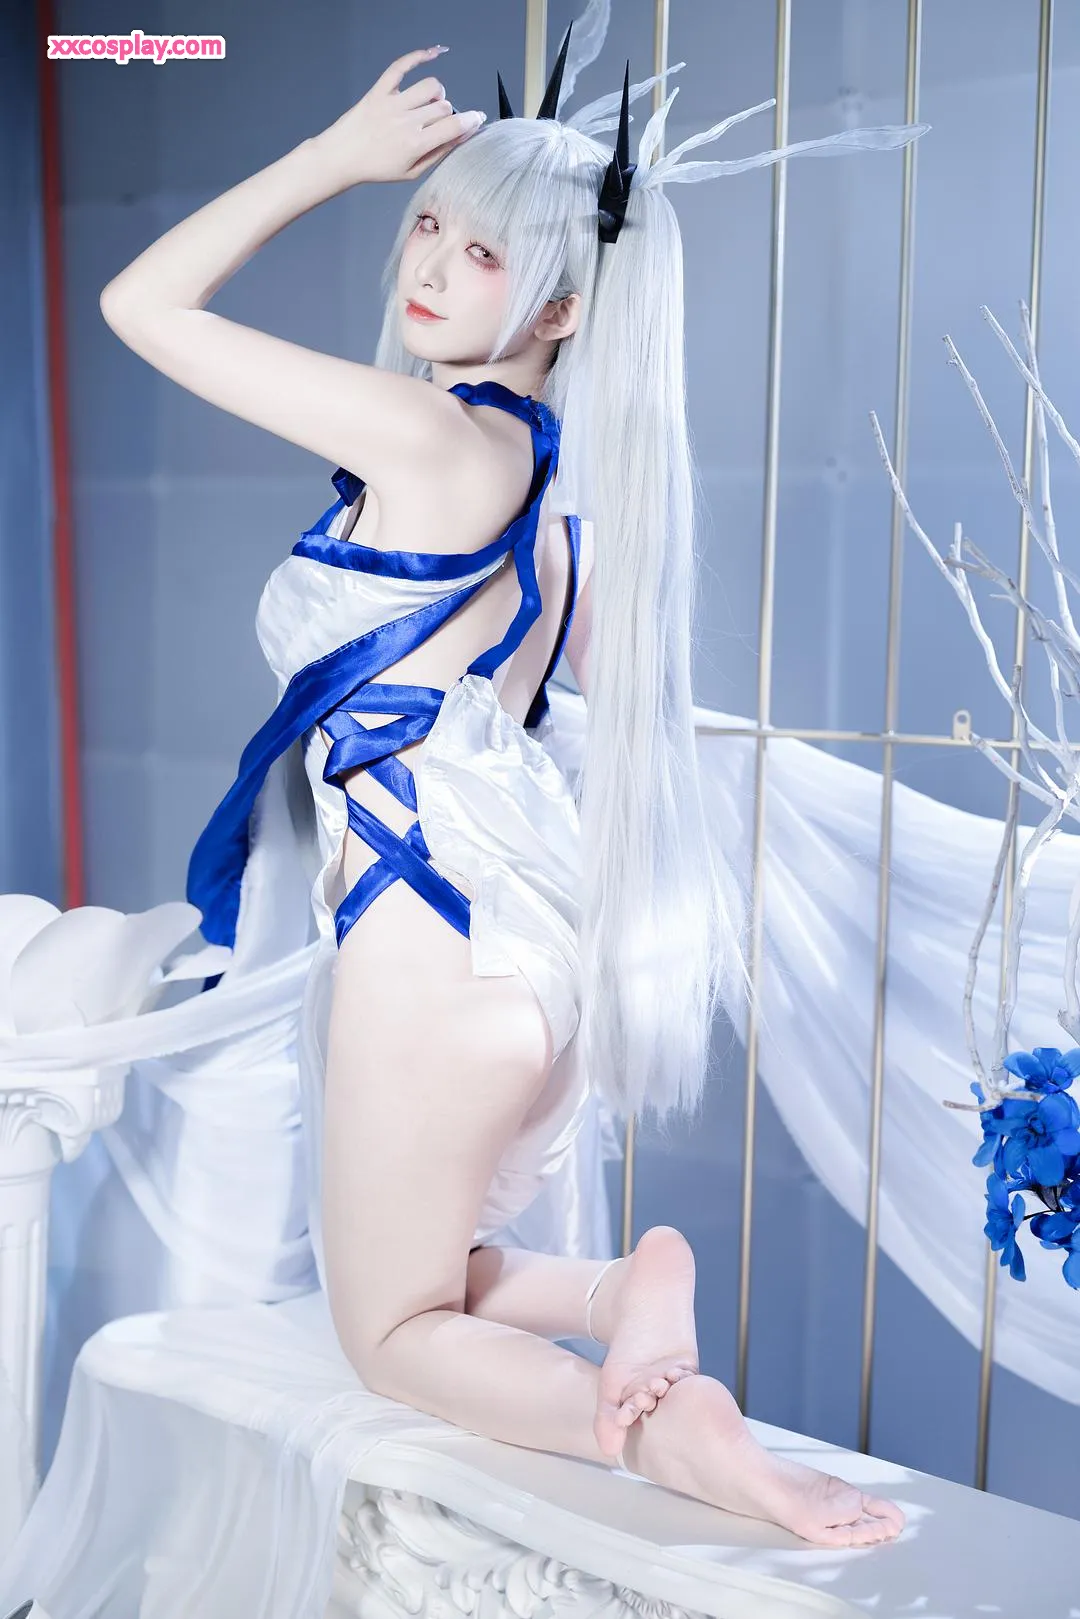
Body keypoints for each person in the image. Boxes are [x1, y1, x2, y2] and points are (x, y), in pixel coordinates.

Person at [87, 27, 923, 1548]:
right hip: (521, 959)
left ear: (558, 305)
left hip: (425, 944)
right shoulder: (562, 518)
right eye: (424, 221)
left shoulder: (426, 436)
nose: (427, 265)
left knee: (390, 1335)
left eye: (482, 252)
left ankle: (669, 1436)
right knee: (431, 1272)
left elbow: (137, 304)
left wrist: (335, 160)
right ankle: (622, 1287)